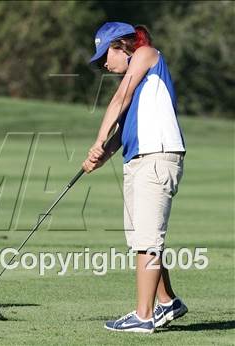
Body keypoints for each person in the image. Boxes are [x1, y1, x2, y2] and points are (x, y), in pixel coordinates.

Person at [83, 22, 188, 333]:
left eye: (106, 54)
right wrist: (103, 153)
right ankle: (167, 302)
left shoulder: (146, 54)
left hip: (156, 158)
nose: (104, 62)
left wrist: (97, 140)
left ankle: (144, 317)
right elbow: (124, 130)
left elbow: (118, 101)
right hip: (139, 160)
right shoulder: (140, 79)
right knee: (142, 238)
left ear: (122, 46)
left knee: (148, 242)